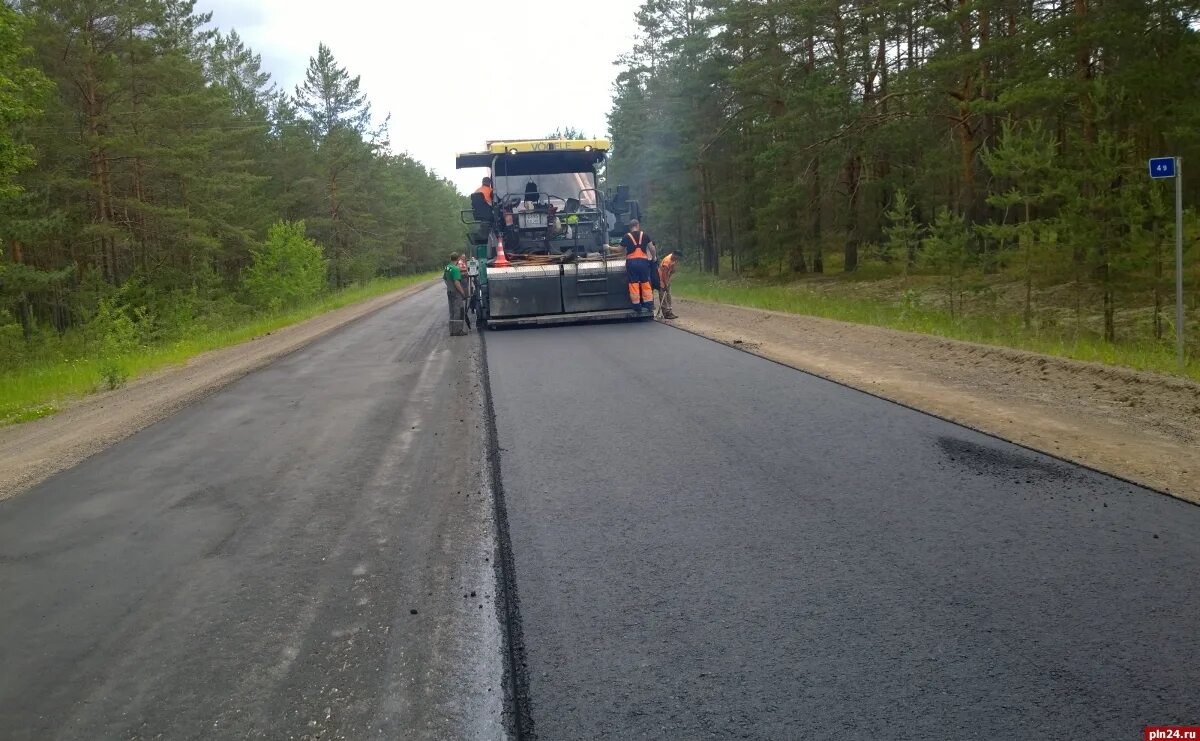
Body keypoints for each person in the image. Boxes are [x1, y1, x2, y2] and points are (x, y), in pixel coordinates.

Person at [619, 219, 655, 315]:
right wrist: (653, 258)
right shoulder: (645, 235)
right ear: (638, 225)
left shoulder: (627, 236)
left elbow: (619, 249)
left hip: (632, 263)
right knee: (645, 282)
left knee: (633, 284)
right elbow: (652, 248)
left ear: (630, 227)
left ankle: (637, 306)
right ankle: (649, 305)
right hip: (643, 262)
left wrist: (608, 248)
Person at [444, 252, 467, 334]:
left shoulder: (447, 267)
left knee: (452, 311)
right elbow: (457, 283)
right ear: (458, 259)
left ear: (450, 259)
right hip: (456, 293)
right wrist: (462, 292)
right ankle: (458, 330)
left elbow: (445, 279)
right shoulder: (456, 269)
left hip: (449, 292)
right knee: (458, 310)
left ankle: (452, 330)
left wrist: (449, 286)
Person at [657, 249, 683, 320]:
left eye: (678, 258)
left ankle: (670, 311)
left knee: (668, 295)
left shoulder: (674, 259)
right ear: (674, 254)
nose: (677, 259)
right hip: (661, 279)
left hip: (667, 279)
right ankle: (666, 313)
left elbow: (672, 271)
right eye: (676, 257)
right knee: (663, 296)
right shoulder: (667, 261)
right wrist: (665, 284)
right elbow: (664, 274)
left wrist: (669, 280)